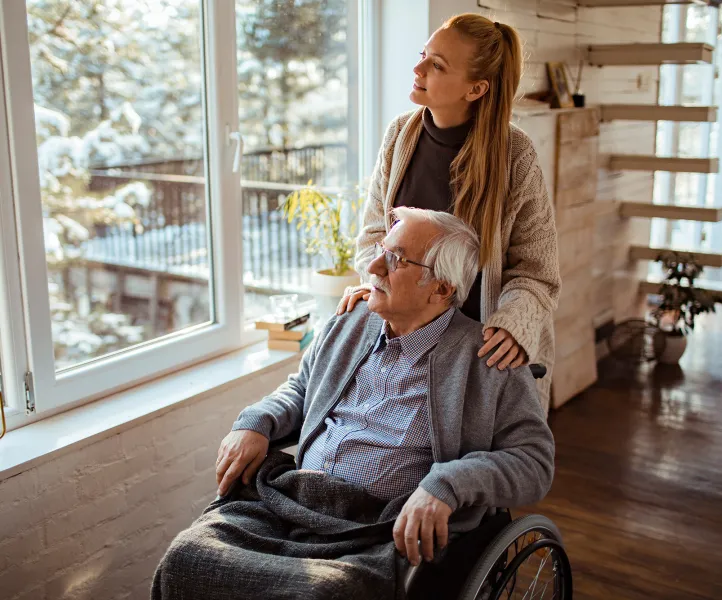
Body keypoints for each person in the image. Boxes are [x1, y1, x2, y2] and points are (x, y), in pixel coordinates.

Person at [152, 208, 555, 600]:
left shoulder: (489, 360)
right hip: (291, 501)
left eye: (395, 259)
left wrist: (448, 484)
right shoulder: (349, 321)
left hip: (377, 529)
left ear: (442, 288)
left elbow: (534, 462)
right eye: (382, 247)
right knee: (186, 559)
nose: (374, 266)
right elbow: (301, 390)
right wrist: (256, 422)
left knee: (323, 592)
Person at [338, 13, 561, 410]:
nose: (418, 68)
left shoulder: (515, 154)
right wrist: (379, 283)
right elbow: (374, 237)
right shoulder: (399, 136)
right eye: (424, 54)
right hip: (408, 346)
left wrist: (512, 325)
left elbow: (536, 272)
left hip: (481, 354)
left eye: (437, 65)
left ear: (475, 89)